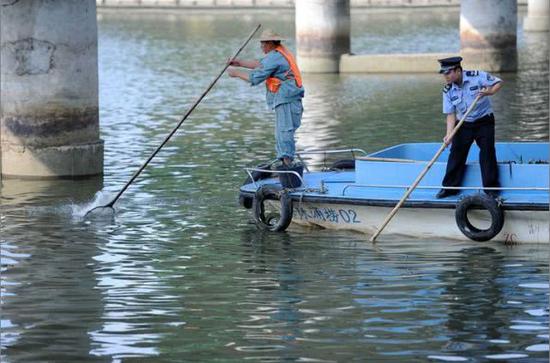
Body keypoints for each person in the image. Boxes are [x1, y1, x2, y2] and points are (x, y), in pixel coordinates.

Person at [227, 29, 304, 167]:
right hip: (290, 98)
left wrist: (236, 73)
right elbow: (261, 64)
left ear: (270, 43)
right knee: (286, 130)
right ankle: (286, 161)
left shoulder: (275, 57)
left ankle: (286, 163)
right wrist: (239, 63)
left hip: (286, 99)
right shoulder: (278, 53)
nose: (261, 46)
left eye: (263, 44)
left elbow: (255, 78)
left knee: (284, 131)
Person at [436, 56, 503, 199]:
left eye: (448, 73)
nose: (445, 76)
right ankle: (449, 188)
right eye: (443, 73)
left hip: (484, 121)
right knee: (456, 153)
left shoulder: (477, 76)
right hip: (464, 123)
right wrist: (449, 135)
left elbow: (498, 82)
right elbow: (450, 115)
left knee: (487, 152)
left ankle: (491, 189)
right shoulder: (447, 91)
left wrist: (490, 92)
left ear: (458, 70)